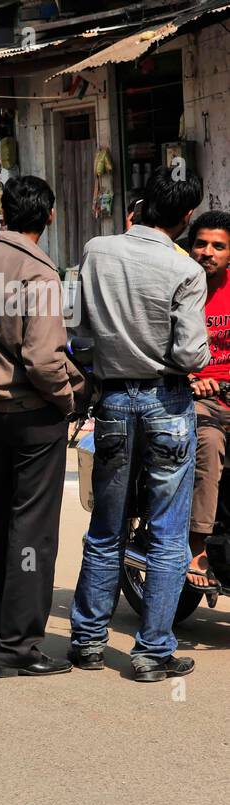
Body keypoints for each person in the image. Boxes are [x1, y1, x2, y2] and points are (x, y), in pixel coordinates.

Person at [70, 166, 208, 681]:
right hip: (166, 405)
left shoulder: (97, 250)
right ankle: (152, 652)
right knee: (168, 536)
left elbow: (79, 329)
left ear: (141, 203)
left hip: (111, 403)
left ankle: (86, 642)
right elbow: (192, 354)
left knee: (106, 528)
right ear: (186, 217)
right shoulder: (186, 270)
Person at [0, 175, 85, 678]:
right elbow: (46, 359)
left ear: (4, 212)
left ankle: (4, 627)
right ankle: (16, 645)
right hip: (31, 414)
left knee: (3, 519)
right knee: (32, 532)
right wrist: (68, 399)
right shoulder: (39, 271)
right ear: (48, 217)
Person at [187, 211, 230, 589]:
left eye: (218, 246)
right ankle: (197, 545)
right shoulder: (179, 287)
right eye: (201, 243)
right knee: (209, 442)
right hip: (197, 399)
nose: (208, 252)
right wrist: (190, 378)